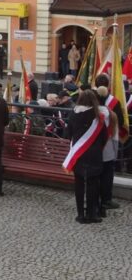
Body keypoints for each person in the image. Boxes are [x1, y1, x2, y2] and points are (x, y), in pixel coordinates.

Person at [66, 89, 107, 223]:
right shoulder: (98, 116)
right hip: (94, 153)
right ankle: (91, 214)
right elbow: (104, 137)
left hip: (78, 153)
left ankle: (80, 214)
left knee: (79, 183)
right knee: (92, 184)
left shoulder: (73, 114)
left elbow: (68, 134)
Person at [94, 86, 120, 216]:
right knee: (106, 177)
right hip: (108, 150)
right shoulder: (111, 114)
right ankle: (105, 200)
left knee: (96, 177)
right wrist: (115, 152)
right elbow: (114, 136)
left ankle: (96, 202)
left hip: (94, 150)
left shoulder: (91, 113)